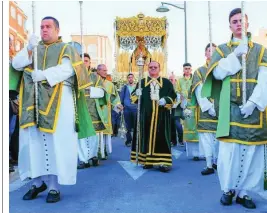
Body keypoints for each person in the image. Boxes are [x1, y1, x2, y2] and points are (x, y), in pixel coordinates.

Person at [12, 16, 92, 203]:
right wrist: (29, 48)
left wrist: (44, 75)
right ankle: (37, 182)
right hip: (32, 100)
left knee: (55, 143)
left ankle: (54, 187)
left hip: (59, 102)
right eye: (41, 27)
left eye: (48, 27)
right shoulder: (34, 49)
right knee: (32, 142)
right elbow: (16, 64)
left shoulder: (66, 49)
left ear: (57, 29)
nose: (44, 30)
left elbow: (68, 70)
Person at [202, 8, 267, 209]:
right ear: (230, 26)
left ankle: (245, 193)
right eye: (235, 21)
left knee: (251, 153)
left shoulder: (261, 50)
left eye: (242, 20)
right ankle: (228, 190)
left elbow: (265, 79)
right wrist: (235, 56)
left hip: (253, 111)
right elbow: (218, 75)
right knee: (228, 153)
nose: (239, 24)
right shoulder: (221, 50)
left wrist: (255, 102)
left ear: (247, 24)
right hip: (228, 110)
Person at [130, 61, 176, 172]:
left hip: (161, 117)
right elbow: (133, 98)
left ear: (159, 68)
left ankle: (164, 162)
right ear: (147, 69)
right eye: (151, 67)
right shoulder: (142, 82)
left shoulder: (166, 83)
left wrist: (166, 100)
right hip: (145, 116)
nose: (153, 69)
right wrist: (137, 93)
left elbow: (173, 96)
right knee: (145, 138)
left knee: (162, 139)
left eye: (155, 67)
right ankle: (147, 161)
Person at [190, 43, 219, 175]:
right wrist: (208, 107)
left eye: (215, 50)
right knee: (206, 138)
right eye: (209, 50)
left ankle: (217, 162)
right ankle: (208, 164)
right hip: (205, 111)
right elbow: (199, 90)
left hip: (221, 109)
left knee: (220, 138)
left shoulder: (222, 69)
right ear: (205, 53)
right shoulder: (199, 71)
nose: (212, 53)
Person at [77, 53, 106, 169]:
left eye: (86, 61)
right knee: (82, 136)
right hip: (80, 109)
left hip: (93, 110)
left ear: (89, 63)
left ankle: (93, 156)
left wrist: (90, 89)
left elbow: (103, 92)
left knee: (93, 136)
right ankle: (83, 160)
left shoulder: (95, 77)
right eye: (82, 60)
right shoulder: (75, 76)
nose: (84, 63)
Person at [96, 64, 123, 159]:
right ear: (98, 71)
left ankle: (103, 150)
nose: (105, 72)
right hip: (95, 112)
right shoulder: (93, 82)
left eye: (106, 70)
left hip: (106, 112)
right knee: (96, 133)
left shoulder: (110, 84)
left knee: (104, 133)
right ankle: (96, 151)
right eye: (103, 70)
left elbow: (114, 98)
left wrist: (118, 105)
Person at [177, 63, 202, 160]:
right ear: (183, 70)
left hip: (196, 107)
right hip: (187, 107)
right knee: (189, 129)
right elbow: (178, 92)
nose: (187, 70)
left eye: (189, 69)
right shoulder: (179, 81)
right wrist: (182, 103)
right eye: (185, 69)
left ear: (191, 70)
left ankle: (200, 152)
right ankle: (193, 153)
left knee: (198, 129)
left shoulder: (195, 79)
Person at [120, 73, 137, 147]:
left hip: (135, 108)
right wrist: (121, 106)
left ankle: (136, 142)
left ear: (133, 78)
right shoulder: (124, 87)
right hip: (127, 109)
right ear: (127, 79)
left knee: (136, 125)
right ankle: (129, 141)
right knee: (128, 126)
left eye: (131, 77)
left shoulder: (137, 87)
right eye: (129, 77)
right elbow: (121, 98)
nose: (130, 79)